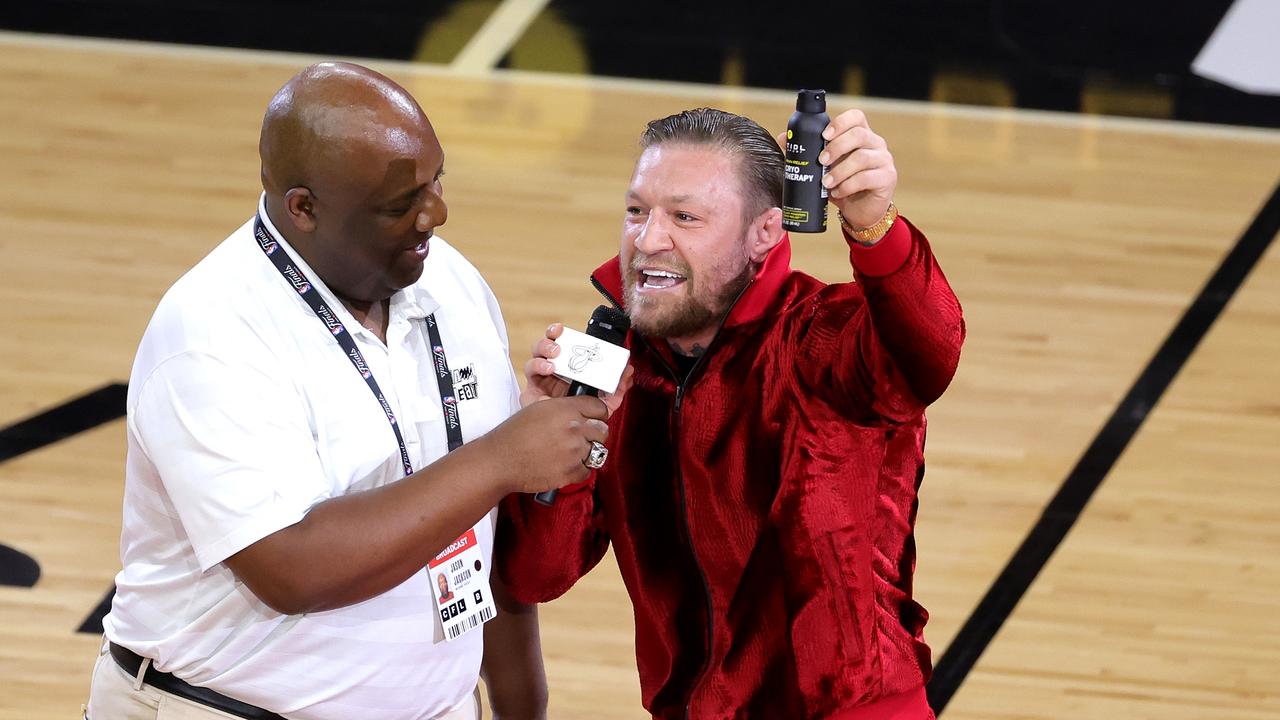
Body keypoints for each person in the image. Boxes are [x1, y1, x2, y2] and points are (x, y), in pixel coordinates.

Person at [84, 62, 611, 720]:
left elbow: (476, 539)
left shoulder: (452, 285)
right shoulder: (213, 331)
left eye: (436, 181)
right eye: (399, 205)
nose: (437, 214)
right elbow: (293, 569)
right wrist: (501, 457)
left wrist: (521, 708)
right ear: (303, 208)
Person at [498, 106, 965, 718]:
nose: (647, 239)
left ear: (765, 232)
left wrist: (875, 226)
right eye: (637, 210)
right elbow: (535, 577)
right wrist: (547, 452)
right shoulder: (611, 370)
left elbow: (929, 351)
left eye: (685, 217)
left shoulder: (824, 341)